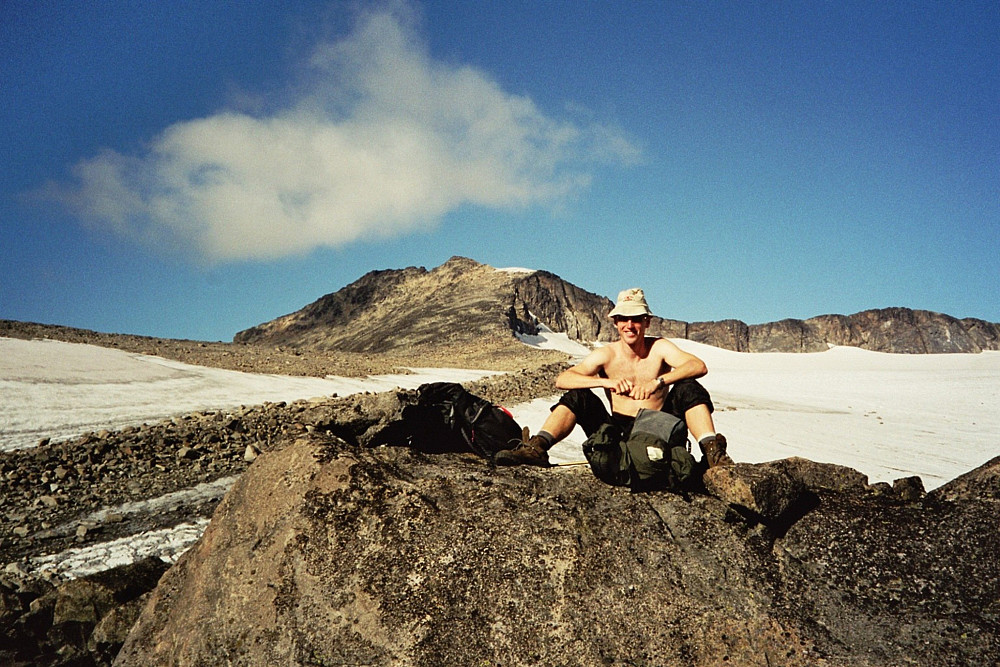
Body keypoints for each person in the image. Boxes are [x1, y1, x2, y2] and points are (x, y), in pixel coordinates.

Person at [495, 288, 734, 469]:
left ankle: (712, 453)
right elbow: (564, 379)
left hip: (660, 428)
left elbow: (698, 366)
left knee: (689, 387)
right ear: (616, 323)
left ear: (647, 322)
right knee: (577, 396)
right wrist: (605, 382)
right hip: (616, 432)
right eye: (624, 319)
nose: (630, 325)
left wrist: (659, 382)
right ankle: (537, 449)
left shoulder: (660, 347)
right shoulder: (606, 354)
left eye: (637, 319)